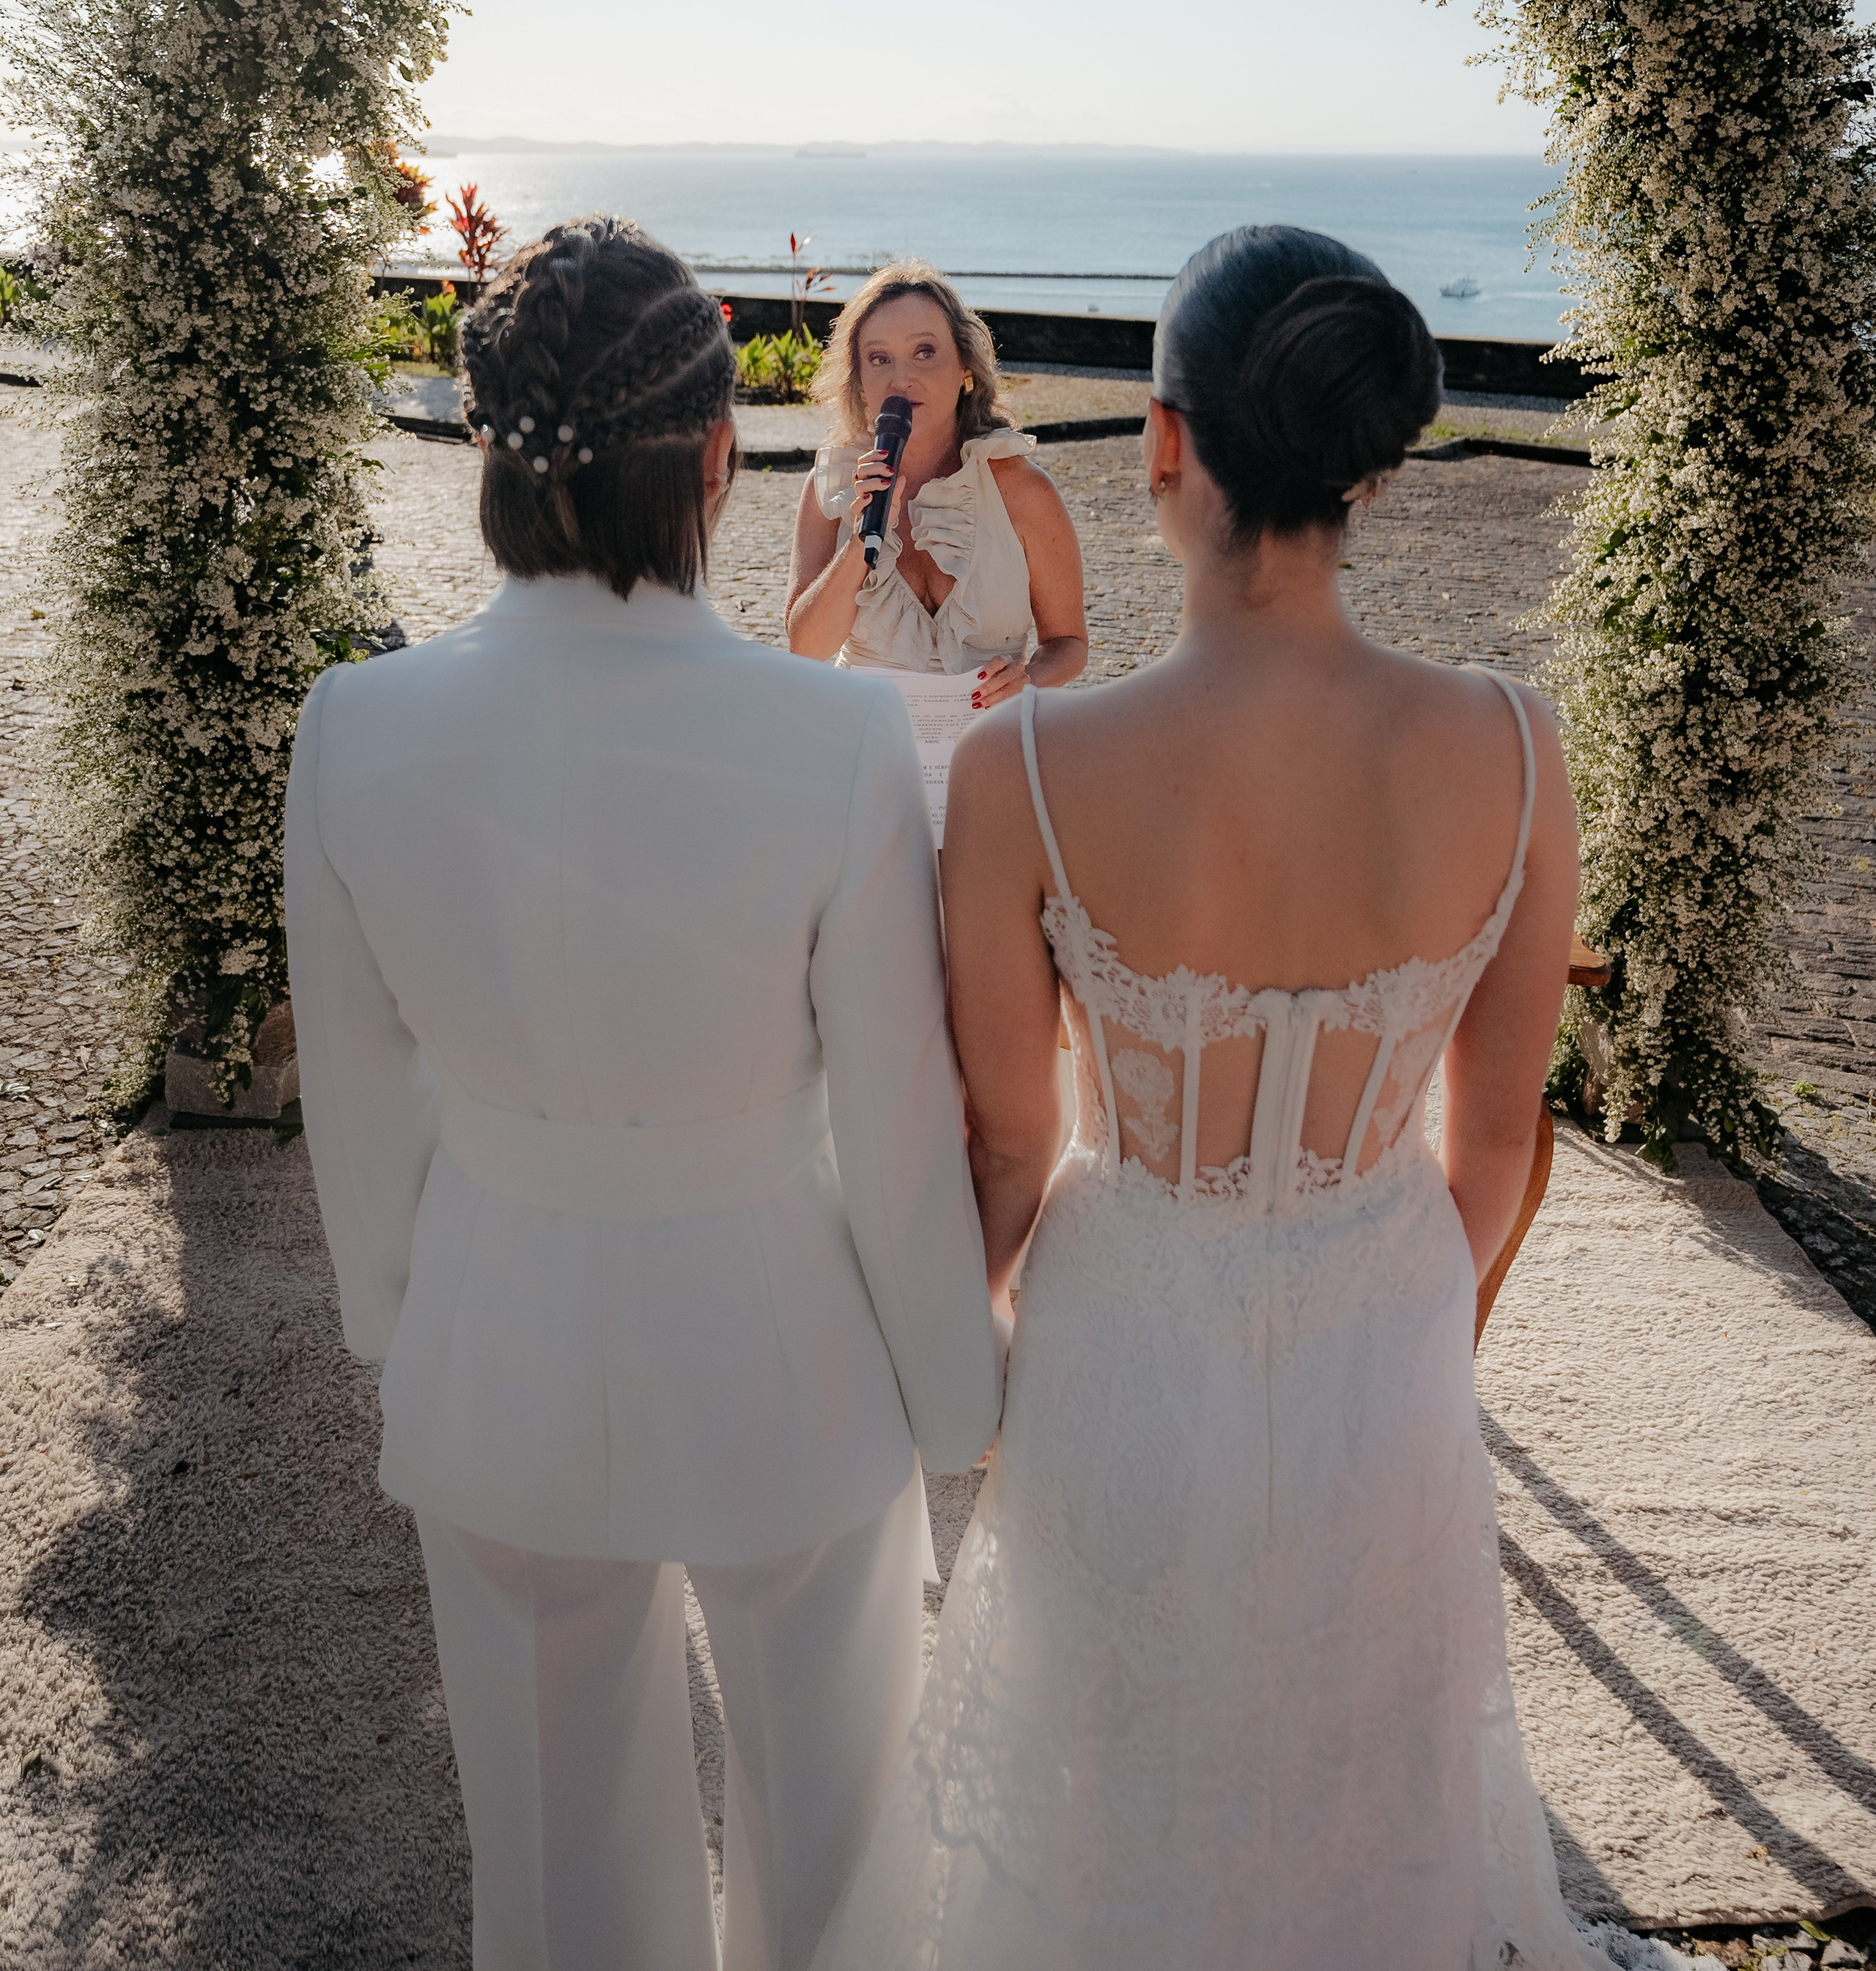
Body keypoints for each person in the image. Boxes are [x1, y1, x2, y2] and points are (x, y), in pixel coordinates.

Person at [814, 225, 1611, 1971]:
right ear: (1367, 466)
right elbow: (1495, 1140)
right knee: (1358, 1785)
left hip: (1124, 1335)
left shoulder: (1029, 763)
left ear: (1161, 442)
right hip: (1384, 1332)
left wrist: (953, 1358)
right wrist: (1393, 1316)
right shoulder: (1513, 743)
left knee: (1107, 1794)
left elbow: (1006, 1140)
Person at [284, 217, 1002, 1971]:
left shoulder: (353, 725)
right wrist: (952, 1388)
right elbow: (896, 1118)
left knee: (552, 1856)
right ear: (714, 453)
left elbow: (359, 1097)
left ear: (484, 442)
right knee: (833, 1835)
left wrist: (402, 1320)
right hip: (780, 1338)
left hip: (497, 1330)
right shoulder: (829, 735)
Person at [785, 260, 1087, 709]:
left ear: (965, 366)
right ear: (859, 378)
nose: (901, 378)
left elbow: (1068, 643)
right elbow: (807, 647)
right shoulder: (830, 488)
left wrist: (1029, 680)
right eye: (879, 358)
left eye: (924, 352)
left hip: (987, 741)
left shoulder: (1024, 491)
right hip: (865, 738)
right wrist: (860, 542)